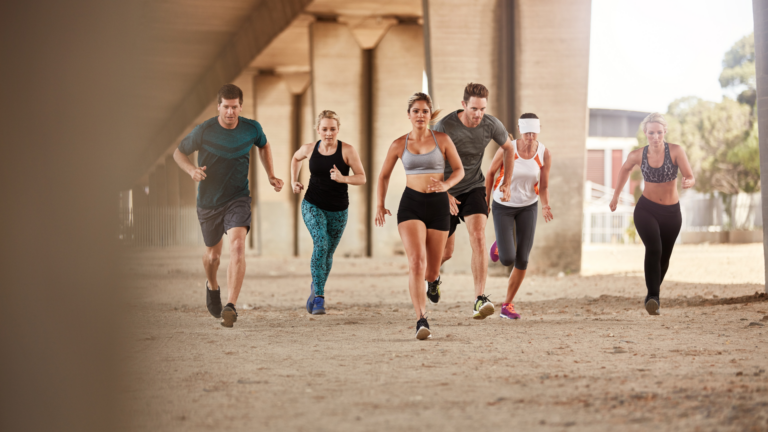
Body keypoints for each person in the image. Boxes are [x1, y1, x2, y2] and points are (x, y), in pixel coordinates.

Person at [173, 83, 284, 328]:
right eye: (226, 107)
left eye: (234, 107)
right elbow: (178, 153)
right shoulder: (205, 130)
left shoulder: (252, 128)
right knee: (213, 257)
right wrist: (192, 170)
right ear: (219, 107)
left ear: (240, 107)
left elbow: (264, 145)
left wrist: (271, 174)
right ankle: (212, 285)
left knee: (237, 247)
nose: (230, 112)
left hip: (238, 197)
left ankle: (230, 306)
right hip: (209, 201)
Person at [375, 92, 464, 340]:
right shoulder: (399, 144)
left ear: (430, 114)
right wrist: (379, 204)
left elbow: (459, 170)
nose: (421, 115)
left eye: (425, 111)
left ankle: (434, 280)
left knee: (431, 268)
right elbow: (383, 176)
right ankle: (421, 319)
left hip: (437, 207)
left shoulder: (443, 140)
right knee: (416, 261)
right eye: (416, 111)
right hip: (411, 205)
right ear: (409, 115)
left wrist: (446, 187)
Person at [432, 82, 515, 319]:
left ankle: (479, 299)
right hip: (445, 188)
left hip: (473, 187)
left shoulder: (491, 125)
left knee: (478, 235)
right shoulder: (445, 126)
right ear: (463, 105)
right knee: (446, 252)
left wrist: (506, 182)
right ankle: (433, 277)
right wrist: (444, 192)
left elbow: (509, 148)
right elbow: (431, 162)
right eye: (474, 109)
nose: (478, 114)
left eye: (482, 109)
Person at [610, 112, 695, 315]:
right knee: (654, 248)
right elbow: (624, 170)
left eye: (659, 132)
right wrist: (615, 196)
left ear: (664, 131)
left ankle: (651, 295)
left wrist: (689, 181)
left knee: (664, 257)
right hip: (646, 209)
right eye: (651, 133)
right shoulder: (638, 155)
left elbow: (690, 175)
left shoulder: (675, 151)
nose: (655, 137)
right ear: (645, 133)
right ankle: (654, 298)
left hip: (671, 213)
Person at [290, 110, 366, 315]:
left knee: (328, 253)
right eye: (324, 129)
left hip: (339, 210)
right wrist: (293, 181)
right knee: (321, 243)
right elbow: (296, 158)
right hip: (312, 204)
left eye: (333, 129)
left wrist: (343, 179)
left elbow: (361, 177)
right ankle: (320, 299)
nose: (329, 133)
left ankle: (316, 286)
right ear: (318, 130)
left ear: (338, 130)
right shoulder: (309, 148)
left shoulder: (347, 150)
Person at [485, 114, 553, 320]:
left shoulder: (544, 153)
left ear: (539, 129)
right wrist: (485, 203)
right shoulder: (508, 148)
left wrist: (545, 205)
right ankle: (499, 243)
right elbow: (490, 173)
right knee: (507, 259)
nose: (530, 137)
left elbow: (544, 184)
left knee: (522, 258)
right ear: (520, 129)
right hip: (503, 205)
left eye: (534, 132)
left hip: (528, 207)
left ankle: (507, 305)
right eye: (526, 132)